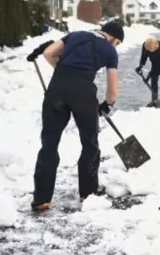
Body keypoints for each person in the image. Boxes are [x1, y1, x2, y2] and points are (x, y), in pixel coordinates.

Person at [25, 22, 124, 212]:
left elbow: (48, 53)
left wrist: (62, 72)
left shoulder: (75, 35)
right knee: (89, 141)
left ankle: (41, 199)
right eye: (117, 43)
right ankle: (87, 192)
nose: (115, 47)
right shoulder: (110, 51)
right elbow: (112, 88)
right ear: (113, 37)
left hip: (57, 91)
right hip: (84, 94)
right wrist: (108, 104)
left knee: (49, 143)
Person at [135, 35, 160, 108]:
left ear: (156, 46)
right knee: (154, 79)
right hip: (155, 61)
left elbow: (156, 69)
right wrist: (141, 65)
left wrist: (148, 76)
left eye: (152, 49)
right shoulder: (145, 45)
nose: (150, 50)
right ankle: (154, 100)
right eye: (149, 49)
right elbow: (144, 56)